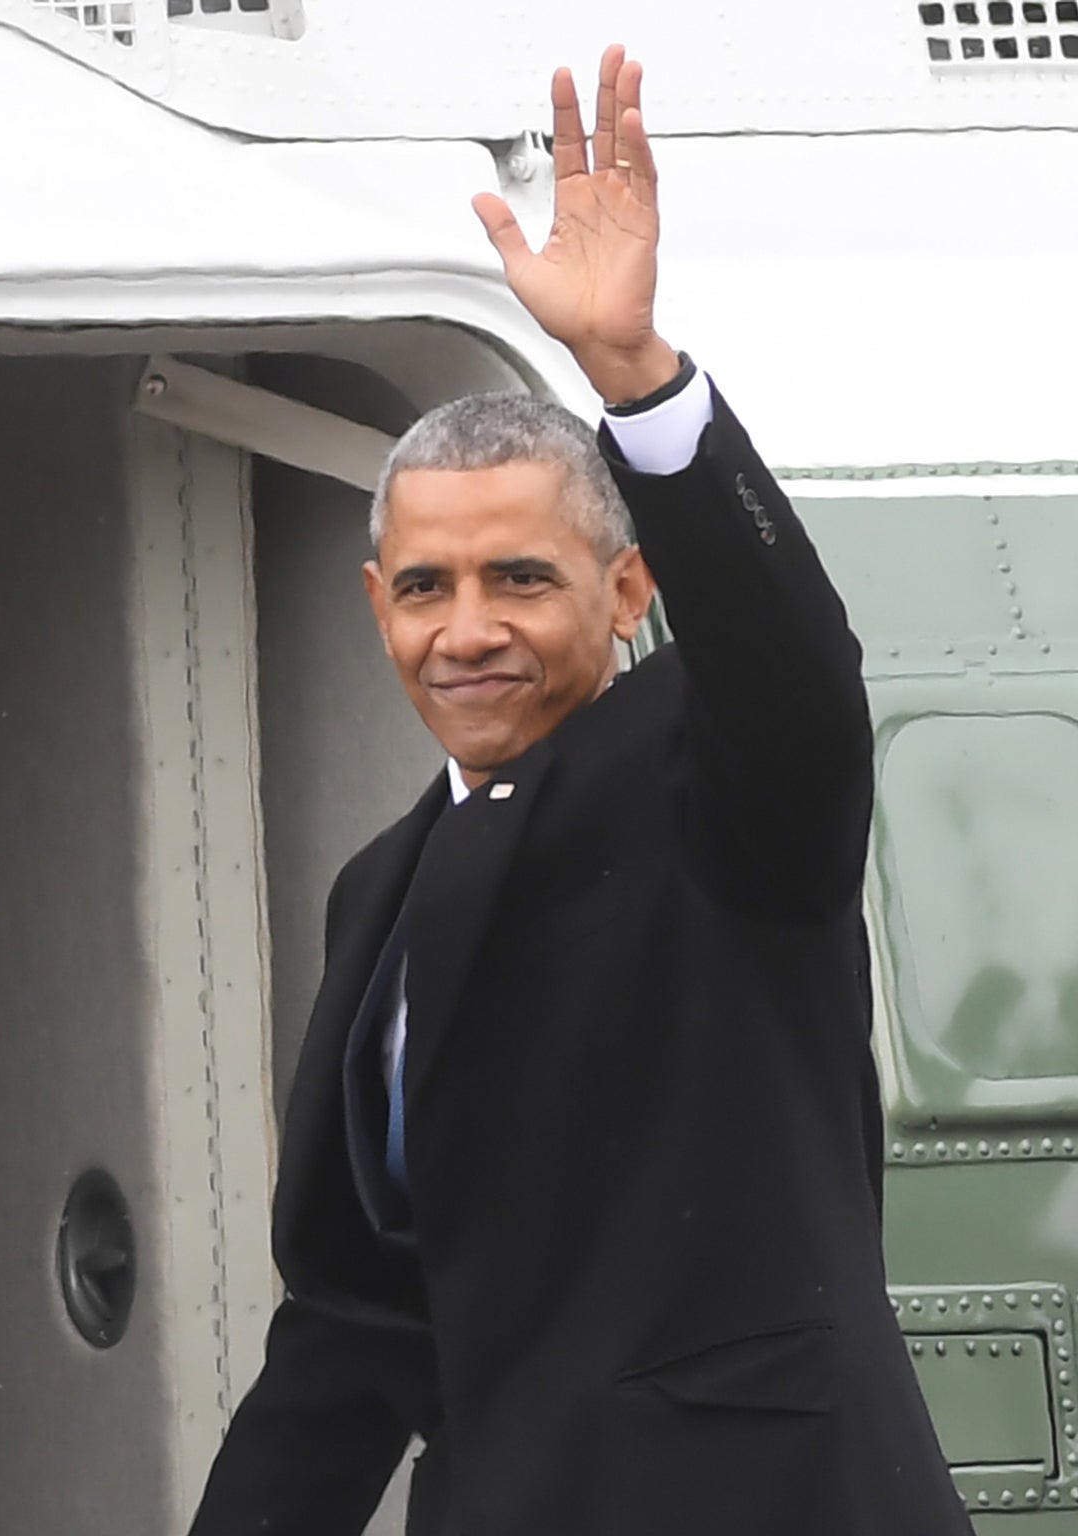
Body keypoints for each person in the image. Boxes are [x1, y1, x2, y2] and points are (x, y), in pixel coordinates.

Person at [188, 47, 967, 1536]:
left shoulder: (719, 778)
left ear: (627, 592)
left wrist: (637, 382)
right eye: (425, 586)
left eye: (518, 580)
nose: (464, 628)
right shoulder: (383, 889)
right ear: (376, 608)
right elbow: (367, 1317)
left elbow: (792, 666)